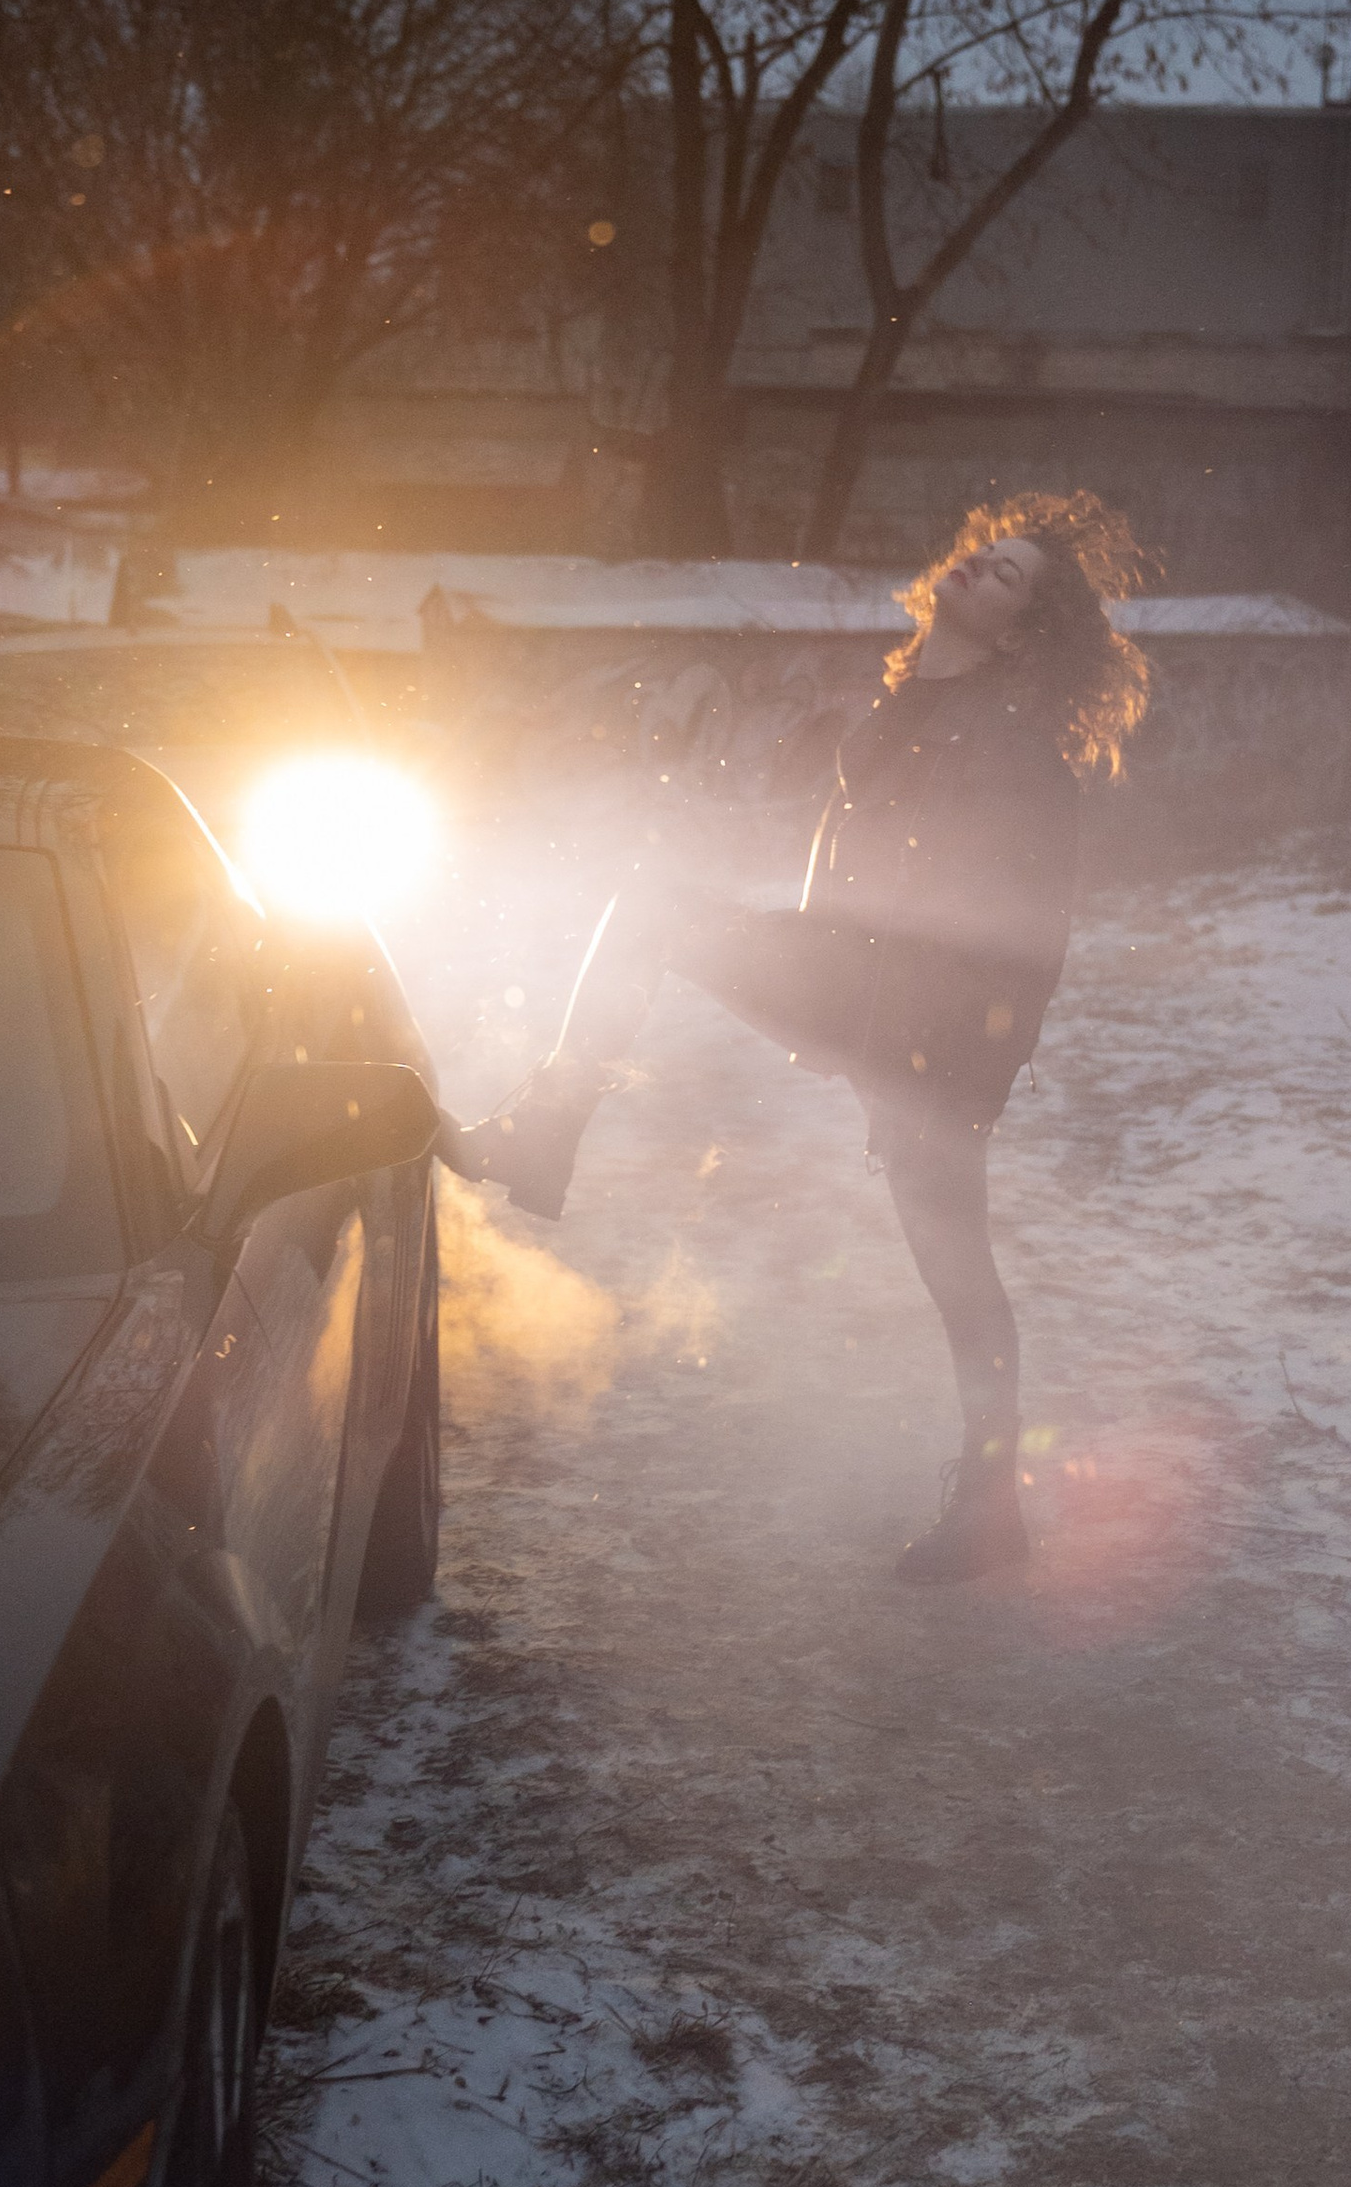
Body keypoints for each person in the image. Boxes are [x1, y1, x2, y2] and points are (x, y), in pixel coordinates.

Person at [439, 493, 1149, 1581]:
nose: (973, 568)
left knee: (956, 1264)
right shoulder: (917, 699)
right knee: (954, 1262)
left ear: (1020, 635)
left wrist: (945, 1072)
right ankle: (992, 1504)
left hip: (913, 1028)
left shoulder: (1010, 750)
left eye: (1004, 576)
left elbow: (1025, 939)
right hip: (856, 988)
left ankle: (991, 1505)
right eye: (981, 553)